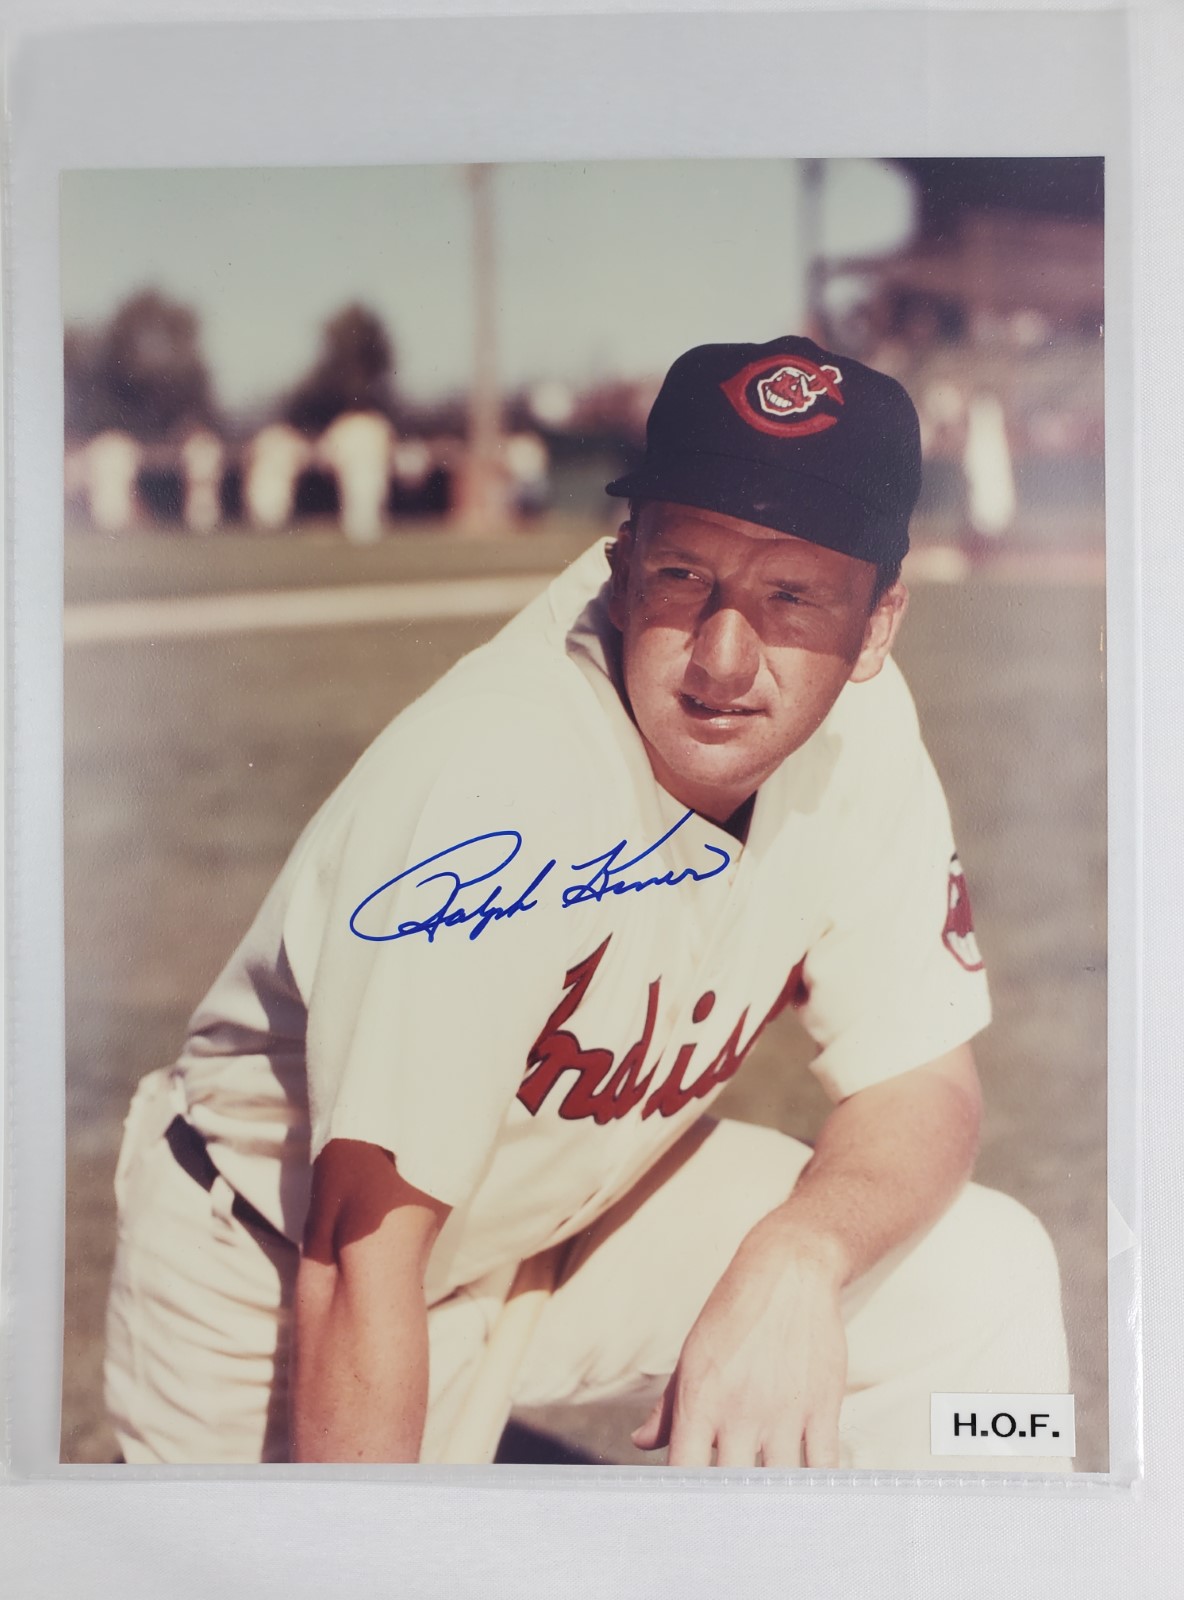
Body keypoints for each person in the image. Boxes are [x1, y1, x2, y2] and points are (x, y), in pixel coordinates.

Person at [104, 335, 1070, 1471]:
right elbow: (358, 1256)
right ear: (622, 566)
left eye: (792, 595)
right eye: (685, 576)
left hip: (564, 1225)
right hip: (273, 1277)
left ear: (877, 624)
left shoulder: (865, 730)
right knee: (332, 1557)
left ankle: (976, 1555)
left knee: (982, 1273)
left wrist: (799, 1254)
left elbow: (923, 1080)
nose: (722, 657)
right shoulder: (494, 784)